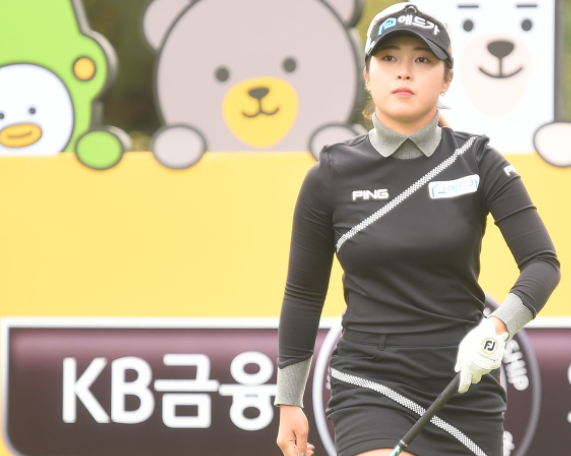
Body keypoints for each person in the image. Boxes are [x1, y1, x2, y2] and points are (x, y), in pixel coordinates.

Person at [274, 3, 560, 456]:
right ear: (367, 75)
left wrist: (498, 327)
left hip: (464, 379)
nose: (404, 72)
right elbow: (304, 294)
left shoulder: (479, 161)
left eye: (423, 59)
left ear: (447, 79)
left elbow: (543, 263)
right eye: (389, 58)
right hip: (370, 382)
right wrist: (289, 400)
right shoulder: (330, 174)